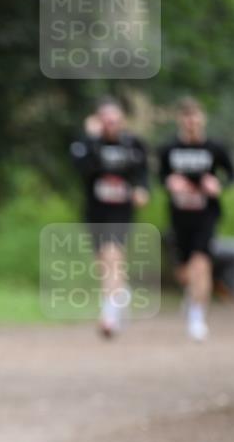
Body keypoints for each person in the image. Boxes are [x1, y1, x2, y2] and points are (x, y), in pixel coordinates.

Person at [70, 98, 149, 337]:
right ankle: (121, 294)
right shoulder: (86, 144)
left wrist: (142, 189)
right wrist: (92, 139)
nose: (110, 125)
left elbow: (142, 174)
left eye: (114, 120)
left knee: (112, 254)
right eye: (105, 120)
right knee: (103, 263)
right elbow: (80, 168)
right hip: (95, 210)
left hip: (121, 210)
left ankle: (109, 315)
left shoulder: (134, 145)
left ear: (122, 121)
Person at [158, 97, 233, 342]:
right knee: (185, 272)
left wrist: (217, 184)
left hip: (206, 215)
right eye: (186, 117)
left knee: (201, 263)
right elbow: (160, 176)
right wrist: (171, 183)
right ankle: (192, 296)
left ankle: (197, 318)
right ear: (181, 120)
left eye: (195, 116)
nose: (191, 122)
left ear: (202, 119)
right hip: (180, 216)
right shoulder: (170, 149)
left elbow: (229, 175)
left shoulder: (214, 148)